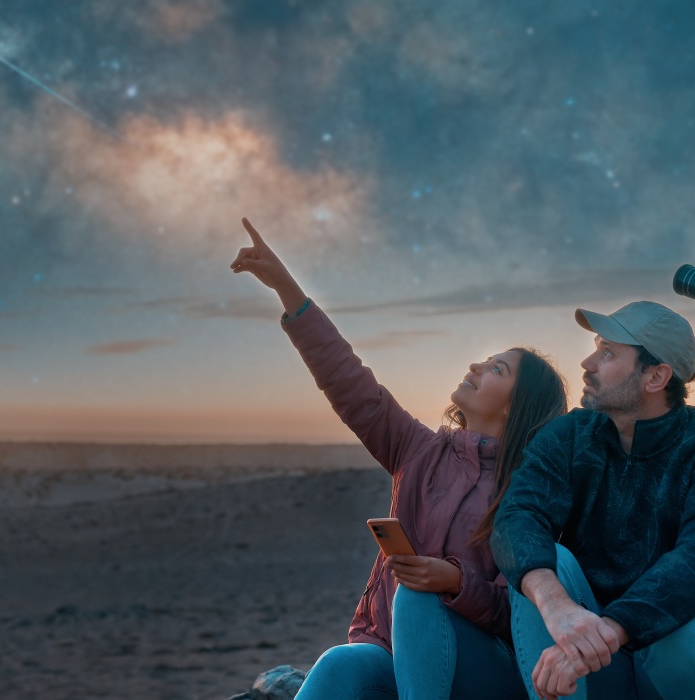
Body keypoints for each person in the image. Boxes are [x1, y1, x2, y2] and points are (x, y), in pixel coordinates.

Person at [231, 217, 565, 700]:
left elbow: (528, 608)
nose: (475, 365)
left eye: (496, 369)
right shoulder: (418, 449)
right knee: (340, 664)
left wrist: (456, 582)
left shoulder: (530, 490)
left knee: (417, 597)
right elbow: (347, 381)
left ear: (517, 405)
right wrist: (286, 288)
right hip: (388, 649)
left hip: (484, 667)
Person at [490, 301, 695, 700]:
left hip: (689, 654)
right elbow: (517, 515)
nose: (586, 362)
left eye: (608, 353)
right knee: (547, 562)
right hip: (599, 651)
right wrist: (558, 609)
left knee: (677, 626)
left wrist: (610, 629)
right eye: (597, 347)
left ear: (655, 376)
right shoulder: (570, 435)